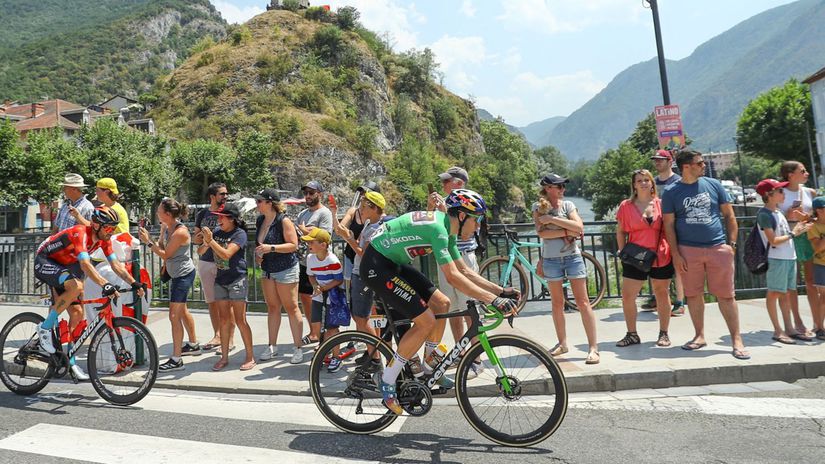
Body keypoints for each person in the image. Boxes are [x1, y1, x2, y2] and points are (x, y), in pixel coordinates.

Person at [360, 189, 519, 415]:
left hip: (393, 262)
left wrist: (500, 291)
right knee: (426, 321)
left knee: (442, 303)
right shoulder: (438, 230)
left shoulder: (447, 227)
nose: (478, 226)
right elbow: (453, 277)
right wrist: (493, 300)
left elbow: (464, 270)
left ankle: (428, 363)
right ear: (462, 216)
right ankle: (387, 379)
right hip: (377, 266)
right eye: (477, 220)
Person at [34, 206, 146, 381]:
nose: (111, 232)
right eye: (108, 228)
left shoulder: (104, 240)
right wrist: (105, 284)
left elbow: (117, 265)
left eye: (114, 228)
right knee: (77, 286)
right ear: (96, 225)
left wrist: (134, 283)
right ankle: (45, 327)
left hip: (67, 265)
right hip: (46, 258)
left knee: (78, 313)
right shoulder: (81, 233)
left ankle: (69, 359)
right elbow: (86, 265)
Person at [661, 149, 750, 360]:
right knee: (693, 295)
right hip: (688, 250)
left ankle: (737, 340)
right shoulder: (672, 192)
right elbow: (669, 225)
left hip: (718, 247)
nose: (704, 166)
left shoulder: (714, 185)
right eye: (700, 163)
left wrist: (732, 245)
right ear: (686, 167)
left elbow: (729, 216)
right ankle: (699, 335)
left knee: (727, 296)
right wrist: (676, 253)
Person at [533, 174, 600, 364]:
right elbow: (541, 233)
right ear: (548, 188)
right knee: (556, 303)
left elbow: (578, 227)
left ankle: (593, 348)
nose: (562, 189)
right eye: (559, 186)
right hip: (551, 260)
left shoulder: (568, 205)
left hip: (572, 257)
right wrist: (565, 230)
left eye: (563, 186)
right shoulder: (537, 207)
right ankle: (562, 343)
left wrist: (552, 222)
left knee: (583, 302)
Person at [139, 198, 200, 372]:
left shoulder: (180, 232)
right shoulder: (169, 227)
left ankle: (176, 359)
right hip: (176, 274)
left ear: (167, 214)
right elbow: (162, 246)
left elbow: (166, 254)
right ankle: (194, 345)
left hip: (183, 275)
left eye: (159, 211)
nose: (157, 213)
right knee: (183, 311)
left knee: (174, 316)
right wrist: (157, 237)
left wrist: (147, 242)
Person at [615, 169, 673, 348]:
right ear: (634, 185)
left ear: (652, 183)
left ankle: (664, 333)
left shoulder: (661, 204)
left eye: (646, 180)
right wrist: (622, 251)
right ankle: (632, 334)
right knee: (627, 296)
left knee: (662, 293)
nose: (643, 183)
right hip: (634, 256)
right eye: (639, 180)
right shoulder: (625, 206)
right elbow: (620, 231)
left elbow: (670, 228)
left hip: (660, 254)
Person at [427, 166, 478, 360]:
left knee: (470, 309)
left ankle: (477, 355)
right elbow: (431, 228)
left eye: (446, 181)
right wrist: (431, 209)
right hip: (445, 258)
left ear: (459, 183)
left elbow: (465, 233)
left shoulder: (470, 203)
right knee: (453, 309)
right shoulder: (445, 203)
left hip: (463, 256)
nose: (442, 185)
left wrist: (445, 211)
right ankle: (461, 353)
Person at [754, 179, 812, 345]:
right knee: (774, 293)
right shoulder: (765, 214)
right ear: (768, 195)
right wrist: (795, 233)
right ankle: (777, 330)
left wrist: (801, 224)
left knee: (786, 293)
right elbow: (773, 240)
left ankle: (789, 328)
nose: (783, 193)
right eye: (779, 190)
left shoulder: (777, 212)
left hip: (788, 257)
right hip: (777, 258)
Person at [200, 202, 255, 371]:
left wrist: (211, 242)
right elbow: (201, 252)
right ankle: (224, 357)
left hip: (237, 278)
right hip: (220, 279)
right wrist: (205, 242)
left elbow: (226, 254)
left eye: (221, 216)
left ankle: (249, 357)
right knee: (223, 320)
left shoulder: (240, 234)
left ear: (231, 219)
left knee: (240, 320)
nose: (218, 219)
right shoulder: (216, 233)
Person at [253, 188, 304, 364]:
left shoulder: (284, 220)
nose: (257, 204)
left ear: (269, 203)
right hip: (267, 268)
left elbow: (293, 245)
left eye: (260, 201)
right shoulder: (260, 220)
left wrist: (271, 248)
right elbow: (258, 244)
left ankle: (298, 348)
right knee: (272, 307)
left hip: (285, 268)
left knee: (291, 307)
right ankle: (272, 346)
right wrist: (259, 255)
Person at [333, 190, 387, 338]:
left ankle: (375, 354)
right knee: (361, 316)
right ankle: (373, 352)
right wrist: (349, 237)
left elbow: (365, 254)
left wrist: (349, 239)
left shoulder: (377, 227)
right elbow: (360, 245)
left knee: (361, 318)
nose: (361, 210)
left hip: (363, 274)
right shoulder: (370, 223)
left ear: (374, 209)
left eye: (364, 207)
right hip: (360, 272)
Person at [778, 161, 817, 341]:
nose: (806, 173)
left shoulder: (809, 192)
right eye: (802, 171)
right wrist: (789, 216)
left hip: (808, 237)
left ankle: (818, 322)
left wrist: (806, 217)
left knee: (811, 281)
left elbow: (817, 217)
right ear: (790, 174)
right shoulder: (780, 193)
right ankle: (797, 322)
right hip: (789, 238)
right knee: (791, 283)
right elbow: (774, 218)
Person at [194, 182, 233, 352]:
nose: (225, 196)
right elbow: (195, 238)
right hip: (206, 260)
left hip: (223, 262)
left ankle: (229, 339)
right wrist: (201, 237)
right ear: (212, 196)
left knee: (227, 302)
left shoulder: (229, 211)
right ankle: (217, 335)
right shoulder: (202, 213)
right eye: (222, 194)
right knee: (211, 301)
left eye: (226, 193)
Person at [295, 180, 333, 345]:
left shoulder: (325, 213)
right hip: (304, 263)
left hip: (321, 264)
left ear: (320, 194)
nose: (308, 196)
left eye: (311, 193)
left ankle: (327, 334)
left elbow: (326, 235)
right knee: (305, 296)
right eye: (306, 193)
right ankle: (314, 332)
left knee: (322, 299)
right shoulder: (302, 214)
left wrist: (306, 231)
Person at [649, 149, 686, 316]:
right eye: (655, 160)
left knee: (678, 265)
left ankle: (680, 301)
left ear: (670, 162)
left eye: (661, 160)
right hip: (657, 230)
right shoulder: (652, 183)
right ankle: (658, 297)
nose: (657, 163)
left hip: (676, 227)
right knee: (656, 263)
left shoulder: (678, 181)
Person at [303, 227, 345, 372]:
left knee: (332, 328)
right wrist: (315, 286)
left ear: (323, 245)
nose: (308, 245)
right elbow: (311, 275)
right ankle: (323, 352)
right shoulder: (310, 258)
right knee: (317, 326)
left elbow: (339, 280)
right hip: (319, 295)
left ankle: (336, 356)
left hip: (332, 296)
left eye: (311, 242)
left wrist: (324, 288)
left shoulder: (332, 260)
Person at [338, 181, 381, 288]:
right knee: (349, 290)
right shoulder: (354, 211)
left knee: (364, 290)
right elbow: (340, 229)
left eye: (364, 193)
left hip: (365, 259)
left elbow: (364, 251)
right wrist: (334, 214)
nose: (362, 196)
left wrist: (348, 236)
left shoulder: (376, 220)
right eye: (361, 193)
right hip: (350, 256)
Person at [805, 196, 825, 340]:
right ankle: (819, 327)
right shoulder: (813, 227)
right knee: (824, 297)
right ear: (818, 210)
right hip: (821, 264)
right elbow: (817, 248)